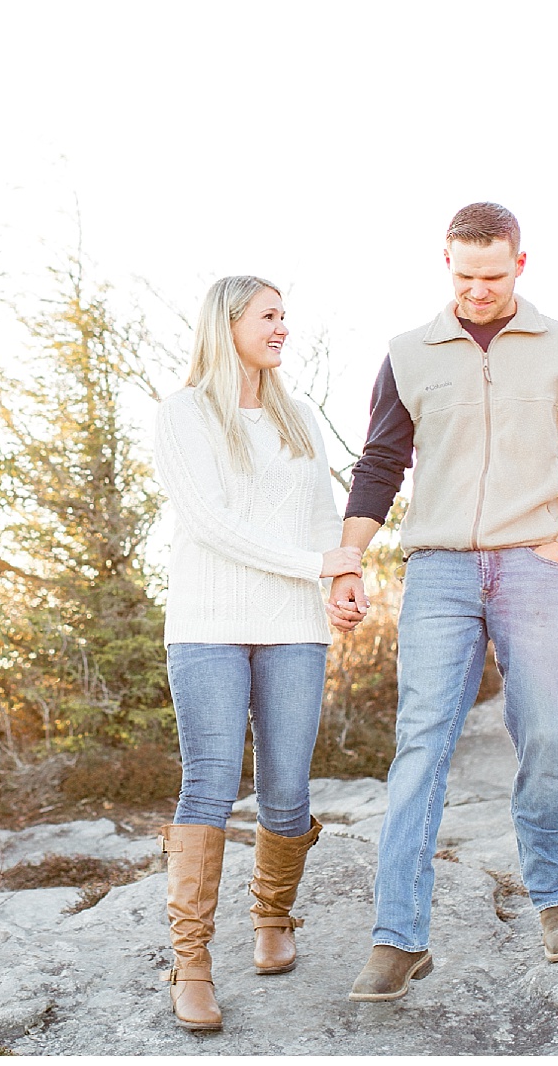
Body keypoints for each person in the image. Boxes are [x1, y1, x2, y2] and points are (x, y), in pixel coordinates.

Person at [328, 202, 558, 1001]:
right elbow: (380, 462)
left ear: (521, 264)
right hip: (441, 572)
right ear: (445, 263)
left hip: (534, 566)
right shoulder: (409, 354)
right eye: (464, 276)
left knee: (547, 733)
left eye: (493, 276)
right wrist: (347, 558)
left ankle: (557, 898)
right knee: (421, 742)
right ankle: (398, 936)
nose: (478, 290)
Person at [150, 275, 364, 1032]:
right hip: (207, 622)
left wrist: (341, 576)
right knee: (208, 783)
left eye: (285, 316)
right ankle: (194, 961)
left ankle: (273, 917)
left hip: (292, 624)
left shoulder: (297, 416)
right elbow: (210, 524)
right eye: (270, 316)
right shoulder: (183, 414)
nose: (282, 328)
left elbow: (320, 517)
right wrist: (317, 567)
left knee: (286, 787)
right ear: (230, 322)